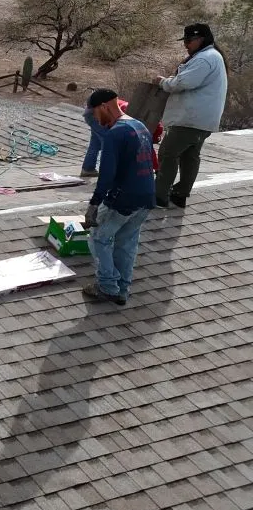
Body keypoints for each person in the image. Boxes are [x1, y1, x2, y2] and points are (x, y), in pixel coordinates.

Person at [82, 89, 156, 305]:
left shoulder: (114, 134)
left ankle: (107, 286)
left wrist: (93, 205)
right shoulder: (139, 126)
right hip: (146, 196)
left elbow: (106, 175)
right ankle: (122, 289)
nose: (96, 120)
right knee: (126, 243)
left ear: (104, 106)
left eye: (95, 114)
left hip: (123, 198)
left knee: (98, 238)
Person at [154, 22, 228, 208]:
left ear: (201, 39)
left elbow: (184, 82)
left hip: (190, 119)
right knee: (190, 157)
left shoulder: (205, 58)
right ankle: (180, 194)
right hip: (201, 119)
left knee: (167, 154)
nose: (185, 44)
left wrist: (163, 82)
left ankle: (159, 196)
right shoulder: (212, 56)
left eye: (189, 40)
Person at [81, 97, 162, 177]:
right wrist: (157, 168)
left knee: (95, 143)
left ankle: (88, 169)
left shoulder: (135, 114)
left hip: (91, 113)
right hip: (98, 114)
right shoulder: (130, 116)